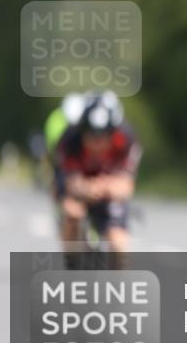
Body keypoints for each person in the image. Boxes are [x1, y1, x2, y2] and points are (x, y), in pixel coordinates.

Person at [55, 91, 142, 269]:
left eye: (103, 138)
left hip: (109, 188)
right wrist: (84, 189)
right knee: (72, 214)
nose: (97, 144)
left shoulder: (125, 139)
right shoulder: (70, 139)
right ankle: (72, 266)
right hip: (79, 188)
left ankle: (118, 287)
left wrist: (104, 187)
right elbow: (68, 182)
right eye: (91, 137)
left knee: (118, 243)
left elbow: (126, 186)